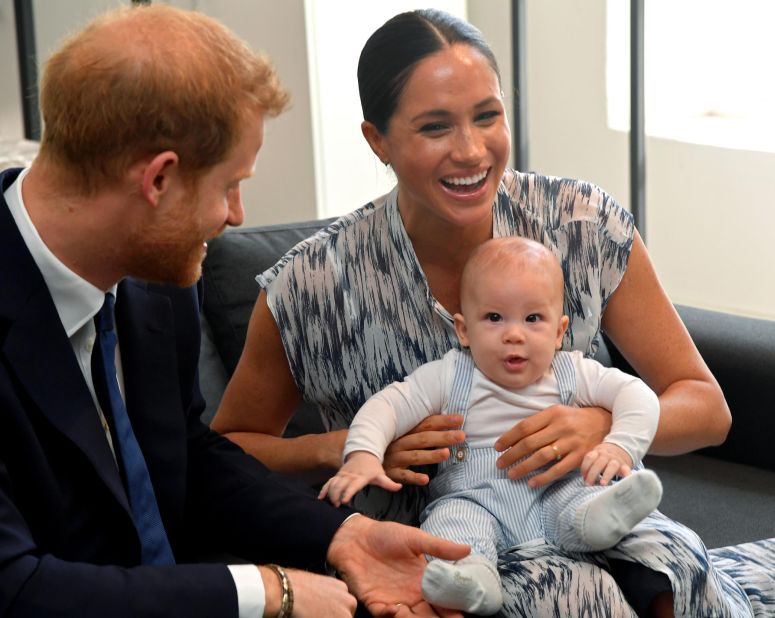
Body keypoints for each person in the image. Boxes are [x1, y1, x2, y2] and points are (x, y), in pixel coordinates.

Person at [212, 8, 775, 617]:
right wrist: (343, 447)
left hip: (587, 513)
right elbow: (226, 452)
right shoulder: (310, 284)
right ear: (378, 141)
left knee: (677, 562)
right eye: (434, 127)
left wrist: (600, 427)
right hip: (434, 557)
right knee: (568, 593)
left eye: (488, 115)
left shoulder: (581, 224)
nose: (472, 150)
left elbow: (705, 406)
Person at [0, 5, 474, 618]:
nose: (237, 216)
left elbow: (188, 457)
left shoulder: (156, 283)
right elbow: (16, 589)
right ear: (159, 180)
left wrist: (342, 536)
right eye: (230, 185)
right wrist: (269, 591)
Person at [320, 237, 665, 615]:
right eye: (494, 318)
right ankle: (472, 580)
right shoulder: (449, 375)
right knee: (451, 527)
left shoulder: (573, 371)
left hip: (555, 488)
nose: (514, 334)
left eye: (533, 318)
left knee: (582, 497)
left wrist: (620, 446)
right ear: (464, 330)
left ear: (558, 331)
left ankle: (598, 522)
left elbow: (637, 394)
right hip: (474, 498)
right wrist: (363, 455)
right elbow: (387, 405)